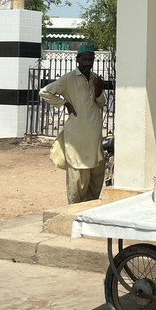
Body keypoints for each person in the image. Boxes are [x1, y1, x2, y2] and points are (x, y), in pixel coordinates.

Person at [40, 45, 106, 204]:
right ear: (77, 60)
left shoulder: (95, 78)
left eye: (90, 59)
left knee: (97, 173)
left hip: (94, 134)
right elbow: (45, 92)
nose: (87, 62)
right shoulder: (69, 79)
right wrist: (64, 104)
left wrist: (98, 91)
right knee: (77, 174)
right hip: (77, 135)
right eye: (84, 59)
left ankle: (90, 206)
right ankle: (74, 209)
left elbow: (101, 104)